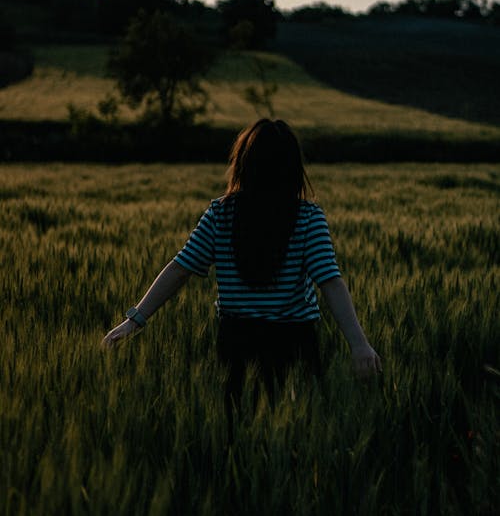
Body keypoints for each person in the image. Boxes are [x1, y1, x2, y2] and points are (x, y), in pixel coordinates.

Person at [102, 119, 381, 419]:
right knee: (295, 435)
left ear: (243, 164)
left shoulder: (221, 213)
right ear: (293, 167)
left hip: (237, 343)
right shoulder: (307, 217)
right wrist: (359, 344)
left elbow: (180, 268)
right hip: (295, 343)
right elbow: (330, 282)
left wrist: (135, 320)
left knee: (235, 429)